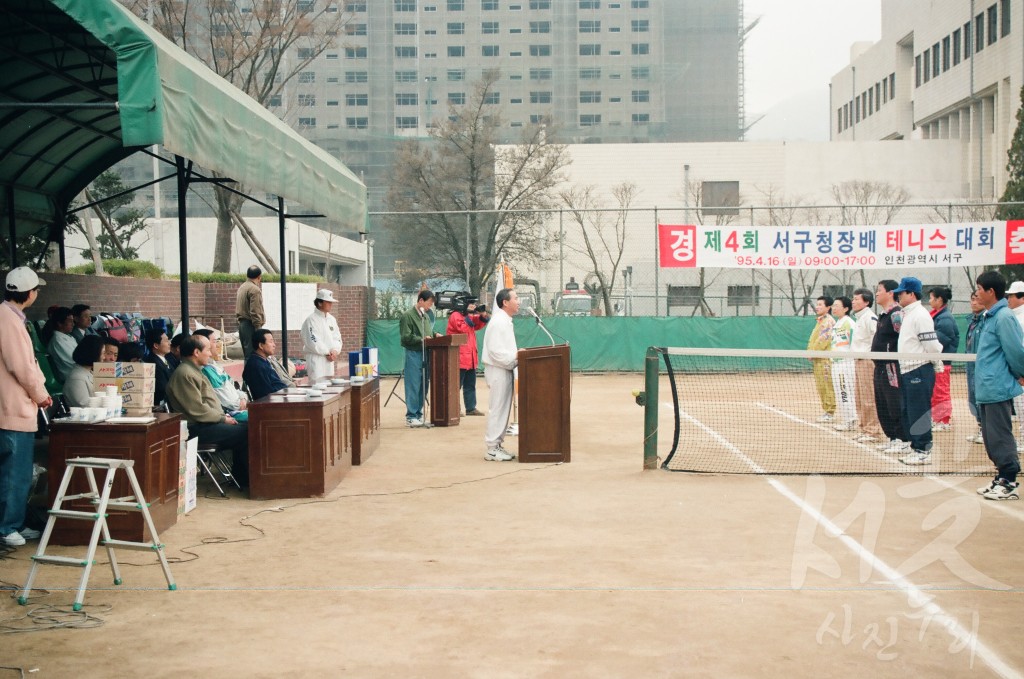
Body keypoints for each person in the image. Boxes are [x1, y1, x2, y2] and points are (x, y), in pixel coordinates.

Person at [0, 267, 52, 547]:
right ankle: (7, 527)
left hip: (10, 407)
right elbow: (22, 367)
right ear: (29, 293)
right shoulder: (9, 320)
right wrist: (41, 394)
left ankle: (13, 523)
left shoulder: (8, 317)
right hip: (12, 410)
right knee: (14, 473)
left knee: (11, 471)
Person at [165, 334, 249, 487]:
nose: (211, 354)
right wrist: (223, 419)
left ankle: (244, 477)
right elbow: (198, 410)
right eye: (208, 350)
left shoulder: (195, 371)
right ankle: (245, 479)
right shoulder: (185, 374)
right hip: (197, 428)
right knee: (246, 431)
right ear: (196, 352)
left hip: (208, 423)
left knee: (249, 427)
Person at [973, 271, 1024, 500]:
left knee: (1000, 436)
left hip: (997, 388)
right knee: (991, 438)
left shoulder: (1004, 317)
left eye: (979, 289)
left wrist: (1021, 374)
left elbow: (1015, 351)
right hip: (986, 388)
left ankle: (1010, 481)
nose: (976, 293)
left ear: (990, 291)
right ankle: (1001, 477)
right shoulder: (989, 316)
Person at [892, 276, 944, 466]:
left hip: (919, 369)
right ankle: (916, 447)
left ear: (911, 294)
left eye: (901, 293)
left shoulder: (920, 315)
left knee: (919, 411)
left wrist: (936, 362)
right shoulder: (908, 314)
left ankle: (923, 450)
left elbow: (931, 344)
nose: (897, 296)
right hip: (907, 369)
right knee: (909, 410)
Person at [481, 288, 520, 461]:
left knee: (503, 408)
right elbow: (495, 351)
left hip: (505, 368)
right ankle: (491, 448)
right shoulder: (498, 322)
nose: (519, 301)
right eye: (516, 298)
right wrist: (515, 357)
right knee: (497, 408)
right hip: (498, 369)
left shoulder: (505, 320)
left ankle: (497, 445)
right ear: (505, 302)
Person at [871, 280, 909, 454]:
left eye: (879, 290)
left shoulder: (896, 314)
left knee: (894, 402)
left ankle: (903, 438)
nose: (877, 294)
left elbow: (904, 337)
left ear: (890, 293)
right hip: (878, 365)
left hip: (891, 366)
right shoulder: (883, 314)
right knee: (882, 403)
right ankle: (893, 437)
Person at [399, 290, 441, 427]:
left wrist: (435, 335)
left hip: (426, 353)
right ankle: (411, 416)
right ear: (421, 300)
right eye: (429, 303)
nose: (430, 306)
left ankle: (418, 413)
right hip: (413, 353)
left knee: (424, 384)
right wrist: (421, 339)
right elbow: (405, 336)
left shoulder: (425, 316)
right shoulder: (407, 316)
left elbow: (428, 332)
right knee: (413, 384)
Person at [850, 287, 883, 444]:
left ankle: (872, 430)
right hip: (858, 360)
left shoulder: (870, 318)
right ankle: (864, 428)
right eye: (853, 299)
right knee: (859, 397)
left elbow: (876, 339)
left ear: (867, 302)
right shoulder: (859, 318)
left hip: (867, 362)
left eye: (857, 299)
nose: (853, 301)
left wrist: (871, 357)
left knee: (869, 397)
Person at [192, 329, 247, 420]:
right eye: (214, 341)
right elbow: (225, 400)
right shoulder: (206, 370)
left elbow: (231, 386)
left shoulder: (214, 365)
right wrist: (240, 403)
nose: (218, 344)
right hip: (228, 413)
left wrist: (243, 398)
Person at [446, 300, 489, 416]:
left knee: (470, 384)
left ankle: (470, 408)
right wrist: (470, 314)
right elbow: (462, 328)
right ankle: (454, 408)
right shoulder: (455, 315)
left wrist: (482, 315)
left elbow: (478, 324)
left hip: (470, 357)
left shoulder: (466, 316)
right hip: (459, 357)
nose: (473, 306)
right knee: (456, 385)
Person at [928, 286, 960, 431]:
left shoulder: (945, 318)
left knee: (941, 391)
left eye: (931, 298)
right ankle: (937, 418)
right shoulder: (937, 315)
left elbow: (942, 339)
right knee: (935, 391)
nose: (929, 301)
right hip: (935, 360)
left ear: (939, 299)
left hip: (942, 361)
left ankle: (943, 421)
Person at [301, 289, 343, 384]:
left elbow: (337, 337)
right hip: (316, 358)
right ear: (319, 303)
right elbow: (313, 340)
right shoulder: (311, 320)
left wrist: (335, 350)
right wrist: (327, 353)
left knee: (329, 384)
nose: (330, 304)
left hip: (329, 359)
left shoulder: (331, 319)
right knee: (317, 385)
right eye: (328, 302)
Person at [806, 295, 835, 423]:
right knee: (821, 386)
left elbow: (823, 340)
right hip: (817, 358)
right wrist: (809, 352)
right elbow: (813, 339)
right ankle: (826, 410)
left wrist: (813, 352)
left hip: (825, 359)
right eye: (817, 304)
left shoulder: (828, 321)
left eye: (820, 305)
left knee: (827, 385)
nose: (817, 307)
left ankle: (830, 411)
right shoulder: (819, 321)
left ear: (828, 307)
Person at [242, 329, 294, 400]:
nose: (274, 345)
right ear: (261, 345)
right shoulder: (256, 366)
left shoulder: (263, 361)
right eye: (271, 341)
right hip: (272, 405)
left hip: (280, 397)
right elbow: (266, 393)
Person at [829, 296, 856, 431]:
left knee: (845, 391)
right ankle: (847, 418)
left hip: (845, 364)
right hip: (836, 363)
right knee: (840, 392)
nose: (834, 308)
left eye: (837, 305)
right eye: (833, 305)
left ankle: (850, 420)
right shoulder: (837, 323)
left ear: (846, 308)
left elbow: (854, 343)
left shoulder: (849, 323)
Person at [964, 291, 985, 445]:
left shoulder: (986, 320)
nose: (974, 302)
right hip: (971, 366)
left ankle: (986, 430)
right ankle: (980, 428)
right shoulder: (972, 321)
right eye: (972, 299)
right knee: (973, 397)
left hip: (982, 367)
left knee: (982, 398)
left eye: (977, 299)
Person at [1006, 280, 1024, 449]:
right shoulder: (1013, 316)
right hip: (1017, 371)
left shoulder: (1020, 318)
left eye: (1012, 295)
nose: (1009, 299)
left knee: (1022, 405)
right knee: (1019, 406)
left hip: (1021, 371)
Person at [63, 335, 105, 407]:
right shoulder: (76, 378)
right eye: (103, 353)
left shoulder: (88, 372)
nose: (104, 357)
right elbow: (84, 405)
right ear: (94, 353)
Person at [236, 265, 265, 361]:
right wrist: (258, 329)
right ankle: (251, 375)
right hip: (251, 325)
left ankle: (248, 375)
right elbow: (255, 311)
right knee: (254, 355)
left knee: (247, 355)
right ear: (259, 277)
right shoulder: (254, 289)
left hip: (242, 324)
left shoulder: (242, 287)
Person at [144, 329, 175, 405]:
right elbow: (162, 388)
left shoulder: (165, 359)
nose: (169, 343)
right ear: (156, 345)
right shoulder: (153, 362)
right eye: (166, 341)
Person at [46, 306, 77, 382]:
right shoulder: (58, 341)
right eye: (70, 321)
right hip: (72, 377)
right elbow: (75, 362)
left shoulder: (68, 337)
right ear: (60, 323)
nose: (73, 324)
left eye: (73, 321)